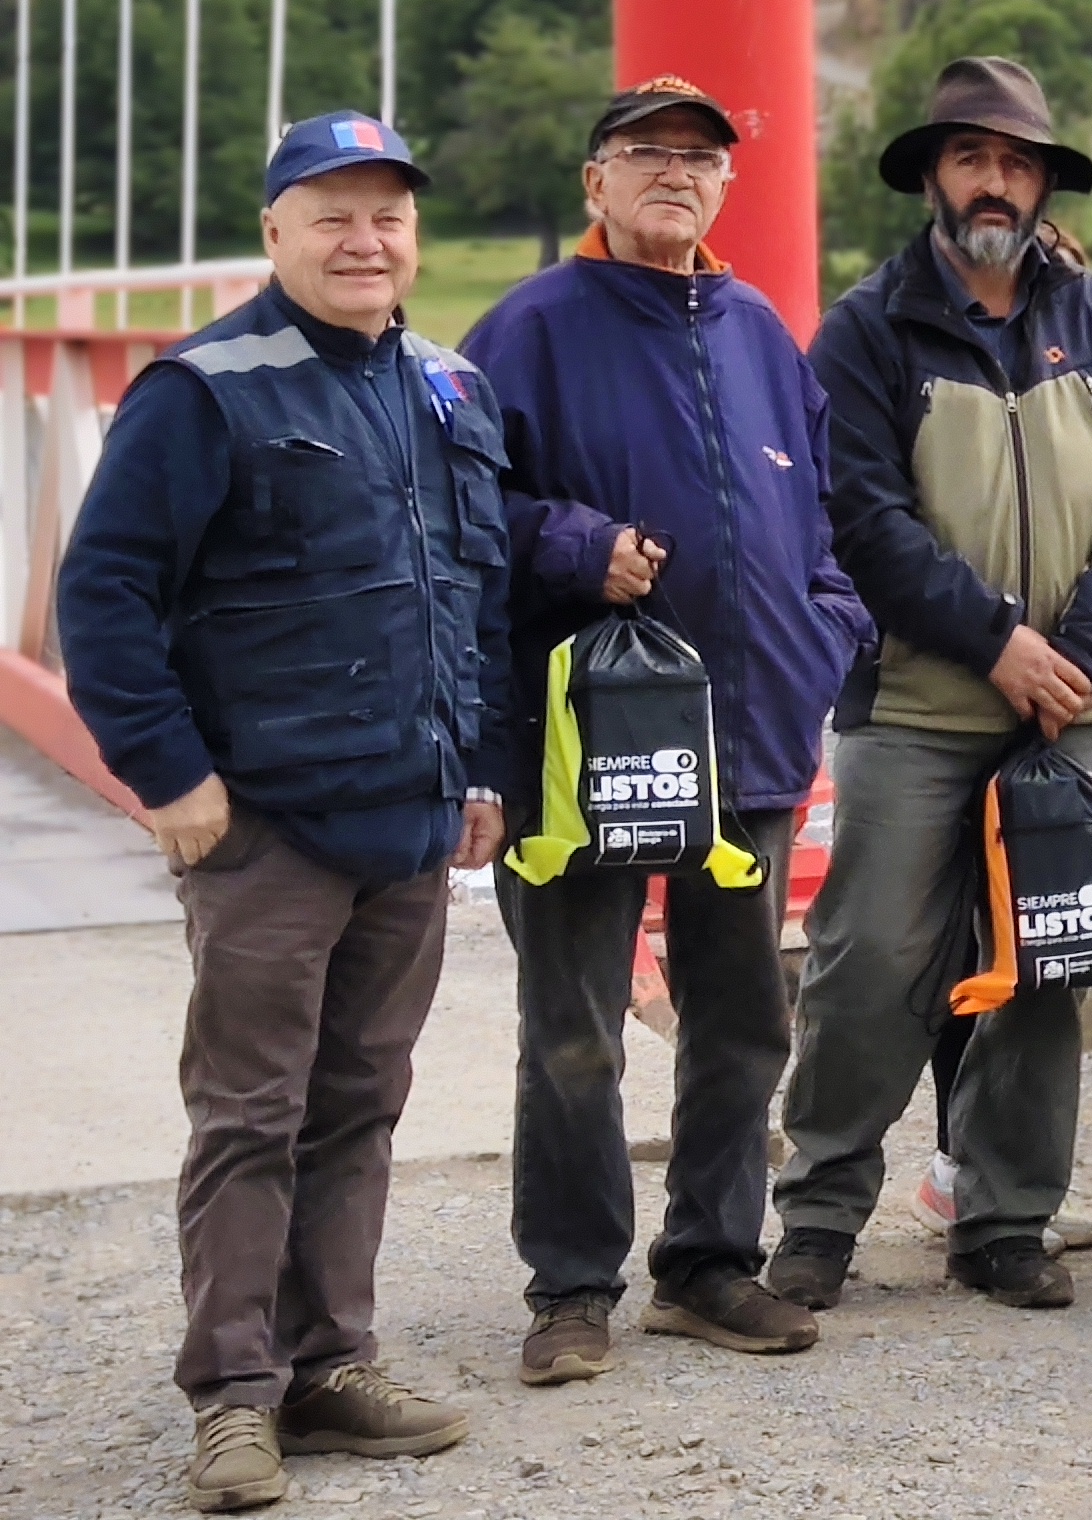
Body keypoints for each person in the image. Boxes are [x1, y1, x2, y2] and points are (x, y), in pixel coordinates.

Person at [59, 113, 509, 1513]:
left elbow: (474, 594)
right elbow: (105, 595)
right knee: (250, 1113)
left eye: (387, 215)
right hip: (266, 824)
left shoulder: (450, 386)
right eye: (333, 215)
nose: (365, 240)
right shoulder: (203, 389)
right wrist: (169, 775)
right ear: (275, 233)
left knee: (364, 1104)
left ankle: (332, 1363)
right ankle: (235, 1400)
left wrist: (478, 768)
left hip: (412, 819)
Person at [465, 79, 869, 1386]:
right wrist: (578, 546)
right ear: (594, 182)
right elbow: (463, 521)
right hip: (582, 747)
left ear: (725, 188)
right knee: (575, 1020)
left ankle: (707, 1264)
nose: (674, 173)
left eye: (700, 157)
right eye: (645, 152)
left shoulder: (761, 333)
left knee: (744, 1015)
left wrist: (822, 642)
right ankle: (571, 1287)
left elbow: (829, 531)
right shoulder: (525, 330)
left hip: (746, 742)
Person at [768, 57, 1092, 1314]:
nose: (992, 179)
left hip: (1074, 712)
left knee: (1043, 965)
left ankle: (1004, 1218)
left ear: (1044, 178)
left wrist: (1081, 661)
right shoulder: (867, 326)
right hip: (917, 707)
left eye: (1014, 160)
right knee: (869, 963)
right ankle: (822, 1214)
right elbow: (864, 517)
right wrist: (997, 639)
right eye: (968, 157)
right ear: (933, 177)